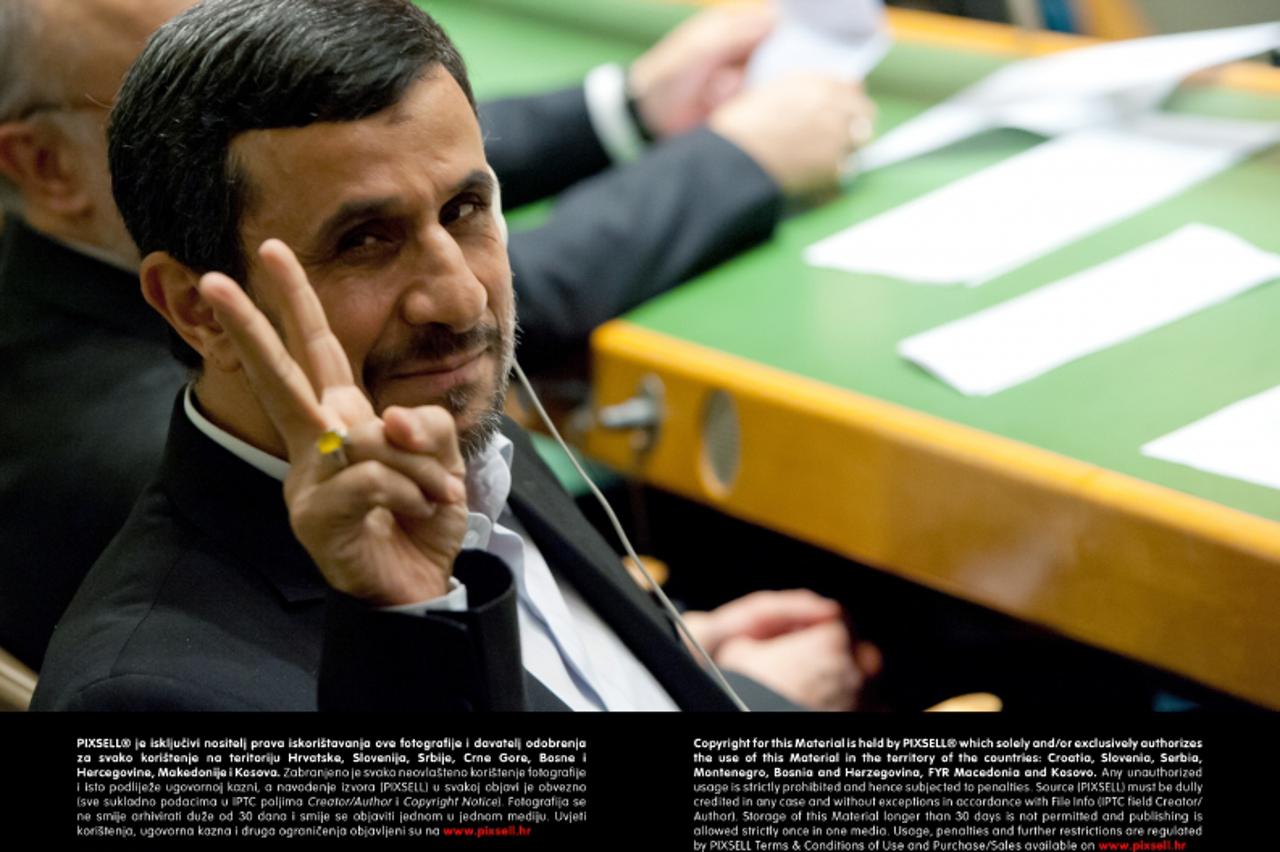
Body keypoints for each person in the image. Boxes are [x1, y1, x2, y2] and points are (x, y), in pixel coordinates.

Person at [33, 0, 879, 712]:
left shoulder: (432, 411)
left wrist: (679, 663)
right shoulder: (148, 698)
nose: (462, 298)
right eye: (365, 240)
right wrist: (405, 621)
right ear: (195, 308)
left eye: (466, 208)